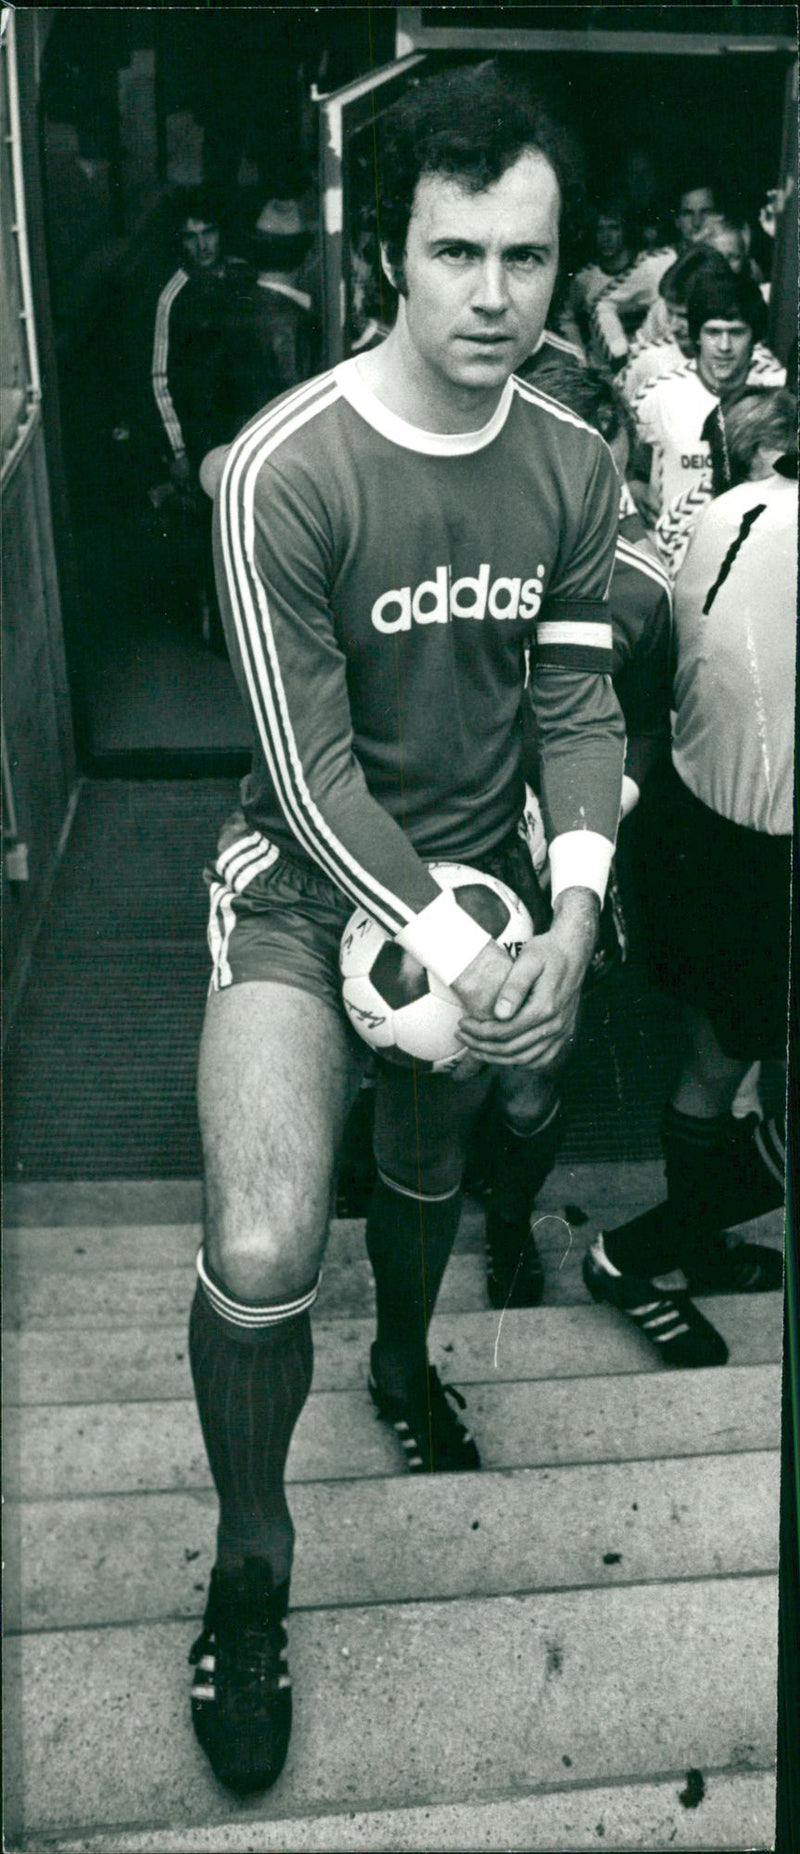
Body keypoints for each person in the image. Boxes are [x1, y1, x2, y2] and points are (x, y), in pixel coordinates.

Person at [188, 62, 625, 1798]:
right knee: (272, 1231)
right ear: (392, 251)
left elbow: (581, 706)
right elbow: (303, 777)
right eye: (460, 254)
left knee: (430, 1180)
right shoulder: (282, 472)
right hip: (306, 891)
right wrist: (459, 960)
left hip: (495, 891)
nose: (498, 298)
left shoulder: (576, 464)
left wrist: (572, 922)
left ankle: (401, 1363)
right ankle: (249, 1560)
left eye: (529, 257)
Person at [583, 401, 795, 1365]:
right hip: (767, 856)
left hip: (698, 829)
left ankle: (700, 1253)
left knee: (717, 1063)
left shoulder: (735, 504)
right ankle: (635, 1253)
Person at [466, 360, 673, 1301]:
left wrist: (600, 811)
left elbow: (645, 716)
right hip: (435, 823)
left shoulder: (632, 587)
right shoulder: (450, 527)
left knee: (530, 1067)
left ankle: (510, 1218)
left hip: (551, 846)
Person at [629, 265, 783, 523]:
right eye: (713, 332)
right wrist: (634, 483)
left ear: (754, 335)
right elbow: (628, 460)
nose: (724, 346)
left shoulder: (777, 391)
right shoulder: (659, 394)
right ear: (697, 335)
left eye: (736, 332)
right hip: (677, 552)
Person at [563, 198, 674, 370]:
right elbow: (567, 317)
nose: (606, 237)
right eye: (599, 229)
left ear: (626, 230)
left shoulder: (652, 266)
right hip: (604, 370)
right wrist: (581, 357)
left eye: (613, 228)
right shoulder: (584, 279)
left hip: (651, 363)